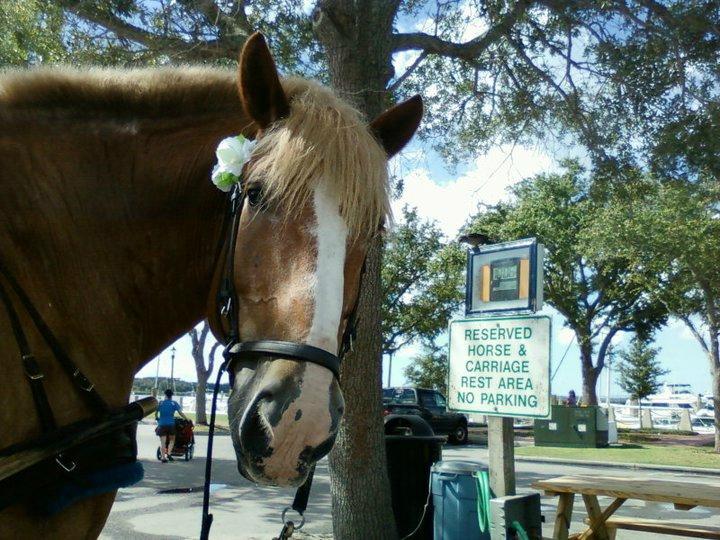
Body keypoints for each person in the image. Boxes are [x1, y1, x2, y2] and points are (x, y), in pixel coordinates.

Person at [155, 389, 189, 462]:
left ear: (165, 395)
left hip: (162, 424)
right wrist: (186, 418)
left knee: (162, 442)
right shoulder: (174, 403)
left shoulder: (161, 403)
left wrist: (157, 417)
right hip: (171, 424)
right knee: (172, 440)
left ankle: (163, 458)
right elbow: (180, 413)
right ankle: (169, 453)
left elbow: (156, 412)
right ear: (171, 395)